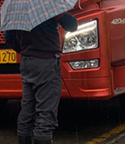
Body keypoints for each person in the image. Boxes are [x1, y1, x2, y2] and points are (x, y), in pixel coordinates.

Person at [4, 12, 78, 144]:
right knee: (46, 112)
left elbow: (8, 37)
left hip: (27, 62)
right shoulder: (50, 4)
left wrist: (26, 50)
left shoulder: (17, 9)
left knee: (27, 109)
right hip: (46, 62)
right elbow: (72, 25)